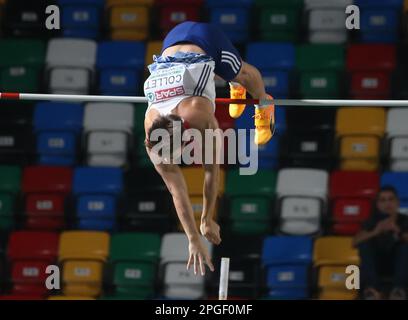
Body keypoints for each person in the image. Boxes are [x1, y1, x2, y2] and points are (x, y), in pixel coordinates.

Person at [143, 21, 275, 276]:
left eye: (179, 153)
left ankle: (263, 104)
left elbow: (212, 171)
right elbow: (176, 190)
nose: (177, 160)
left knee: (245, 75)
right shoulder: (153, 137)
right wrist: (193, 238)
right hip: (172, 42)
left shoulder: (200, 115)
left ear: (186, 132)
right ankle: (233, 82)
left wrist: (207, 217)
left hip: (204, 40)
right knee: (231, 75)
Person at [353, 186, 408, 300]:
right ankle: (373, 290)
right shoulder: (372, 221)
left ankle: (398, 291)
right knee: (364, 244)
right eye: (383, 200)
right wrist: (375, 231)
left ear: (397, 202)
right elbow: (355, 242)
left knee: (404, 246)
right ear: (378, 205)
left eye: (390, 199)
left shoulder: (405, 220)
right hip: (377, 265)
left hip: (400, 265)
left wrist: (398, 232)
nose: (387, 203)